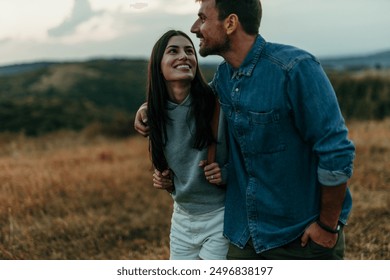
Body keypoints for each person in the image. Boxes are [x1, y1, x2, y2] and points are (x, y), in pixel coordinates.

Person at [134, 0, 355, 260]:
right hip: (244, 238)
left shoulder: (295, 68)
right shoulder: (224, 80)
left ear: (230, 23)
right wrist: (147, 108)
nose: (195, 28)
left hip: (300, 238)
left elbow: (336, 153)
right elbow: (187, 102)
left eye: (203, 18)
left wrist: (327, 226)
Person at [144, 29, 229, 260]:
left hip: (220, 216)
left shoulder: (218, 102)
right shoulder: (154, 115)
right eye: (174, 51)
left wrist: (226, 173)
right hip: (181, 218)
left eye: (189, 51)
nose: (184, 56)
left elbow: (247, 154)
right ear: (158, 64)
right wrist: (163, 178)